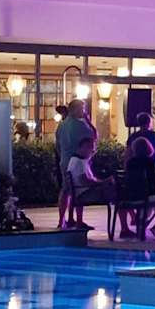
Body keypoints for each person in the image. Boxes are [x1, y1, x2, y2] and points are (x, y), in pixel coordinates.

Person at [55, 98, 96, 229]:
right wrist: (88, 121)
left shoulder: (61, 125)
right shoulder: (81, 126)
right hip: (78, 160)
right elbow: (93, 137)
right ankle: (78, 219)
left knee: (65, 189)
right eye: (82, 109)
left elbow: (57, 145)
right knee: (79, 190)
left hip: (64, 160)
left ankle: (62, 219)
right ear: (75, 109)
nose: (83, 111)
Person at [116, 136, 155, 238]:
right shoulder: (150, 162)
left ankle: (141, 221)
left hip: (131, 195)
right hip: (148, 194)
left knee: (150, 199)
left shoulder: (130, 163)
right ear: (149, 148)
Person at [65, 135, 110, 226]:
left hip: (81, 192)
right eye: (90, 148)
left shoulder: (77, 160)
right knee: (116, 194)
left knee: (114, 190)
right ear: (82, 148)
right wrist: (102, 183)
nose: (92, 151)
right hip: (84, 193)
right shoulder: (78, 162)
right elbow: (84, 181)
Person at [125, 111, 155, 181]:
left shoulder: (133, 137)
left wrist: (127, 169)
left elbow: (127, 155)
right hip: (152, 168)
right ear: (149, 122)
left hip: (136, 169)